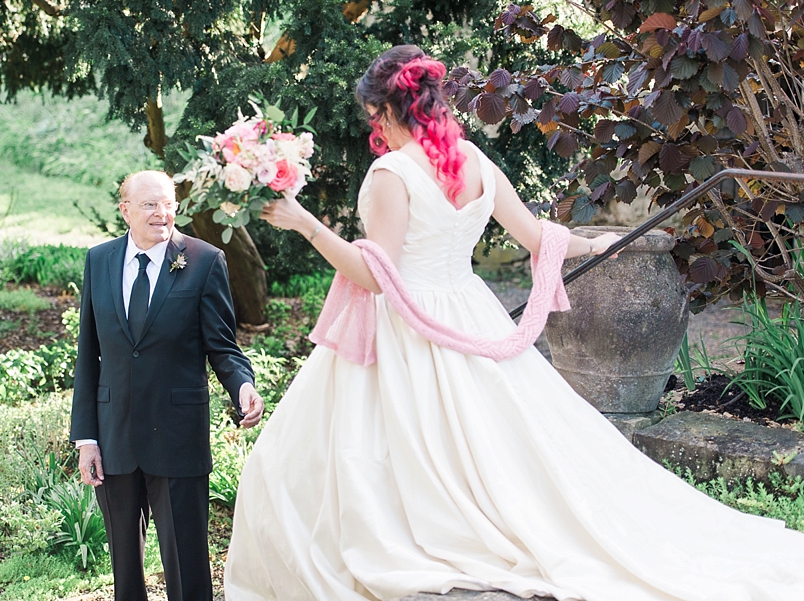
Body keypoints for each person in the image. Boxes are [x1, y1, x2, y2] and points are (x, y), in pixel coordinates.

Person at [223, 45, 804, 601]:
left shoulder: (391, 175)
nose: (371, 125)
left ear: (387, 109)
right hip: (466, 307)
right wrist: (602, 243)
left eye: (372, 113)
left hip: (409, 324)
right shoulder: (474, 160)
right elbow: (538, 237)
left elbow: (378, 276)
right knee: (500, 446)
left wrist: (305, 224)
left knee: (327, 459)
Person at [70, 170, 264, 601]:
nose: (162, 213)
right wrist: (86, 438)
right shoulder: (98, 261)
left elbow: (222, 346)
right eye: (149, 205)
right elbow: (89, 354)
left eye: (169, 204)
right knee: (125, 564)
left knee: (188, 565)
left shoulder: (203, 260)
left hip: (178, 436)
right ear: (125, 211)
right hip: (114, 435)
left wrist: (242, 386)